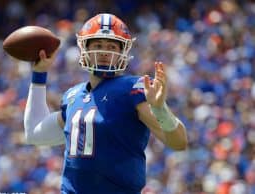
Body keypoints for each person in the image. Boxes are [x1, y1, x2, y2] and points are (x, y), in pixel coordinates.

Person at [24, 13, 188, 194]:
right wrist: (39, 74)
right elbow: (34, 134)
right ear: (84, 48)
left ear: (122, 52)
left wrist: (160, 109)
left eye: (111, 46)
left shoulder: (133, 89)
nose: (104, 51)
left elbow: (179, 142)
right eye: (98, 45)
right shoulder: (73, 96)